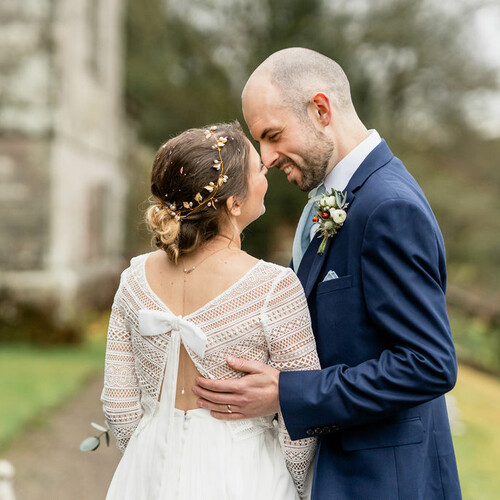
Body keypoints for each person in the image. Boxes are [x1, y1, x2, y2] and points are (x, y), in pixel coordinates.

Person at [193, 48, 462, 499]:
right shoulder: (333, 201)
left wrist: (288, 393)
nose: (266, 158)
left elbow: (428, 363)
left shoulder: (388, 207)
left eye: (273, 135)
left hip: (385, 483)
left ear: (321, 109)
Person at [101, 121, 320, 500]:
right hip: (244, 473)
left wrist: (144, 459)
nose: (266, 174)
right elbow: (301, 408)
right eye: (258, 170)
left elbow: (119, 406)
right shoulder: (273, 287)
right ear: (234, 204)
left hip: (148, 469)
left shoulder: (134, 279)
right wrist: (296, 483)